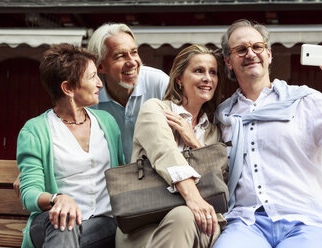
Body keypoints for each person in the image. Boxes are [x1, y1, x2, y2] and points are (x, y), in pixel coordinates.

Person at [213, 19, 322, 248]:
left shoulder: (304, 101)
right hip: (247, 223)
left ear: (269, 54)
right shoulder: (223, 116)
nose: (250, 53)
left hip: (307, 222)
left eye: (257, 47)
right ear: (229, 62)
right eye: (241, 50)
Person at [116, 44, 225, 248]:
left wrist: (194, 142)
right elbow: (164, 153)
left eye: (213, 72)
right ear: (179, 78)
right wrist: (194, 199)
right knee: (184, 215)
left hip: (201, 224)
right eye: (198, 71)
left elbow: (218, 181)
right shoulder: (155, 109)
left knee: (197, 221)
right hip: (146, 224)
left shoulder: (213, 132)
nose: (208, 78)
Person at [17, 44, 124, 248]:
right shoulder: (35, 130)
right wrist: (58, 199)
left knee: (70, 230)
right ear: (68, 88)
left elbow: (122, 172)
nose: (99, 84)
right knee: (64, 221)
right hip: (51, 223)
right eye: (92, 77)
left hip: (104, 224)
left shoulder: (107, 123)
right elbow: (29, 194)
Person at [87, 23, 169, 163]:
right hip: (114, 178)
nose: (132, 62)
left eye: (134, 52)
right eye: (120, 56)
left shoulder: (159, 82)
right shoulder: (90, 96)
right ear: (100, 66)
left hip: (158, 174)